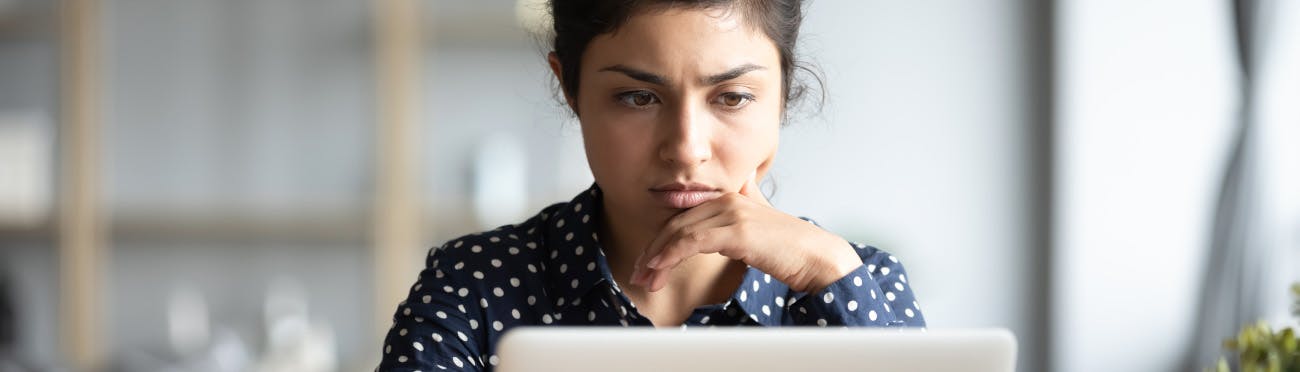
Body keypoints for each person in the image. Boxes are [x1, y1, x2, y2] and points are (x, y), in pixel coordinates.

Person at [376, 0, 925, 370]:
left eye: (731, 97)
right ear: (569, 87)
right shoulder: (475, 284)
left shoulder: (858, 282)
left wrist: (826, 275)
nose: (686, 147)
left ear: (783, 94)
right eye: (639, 97)